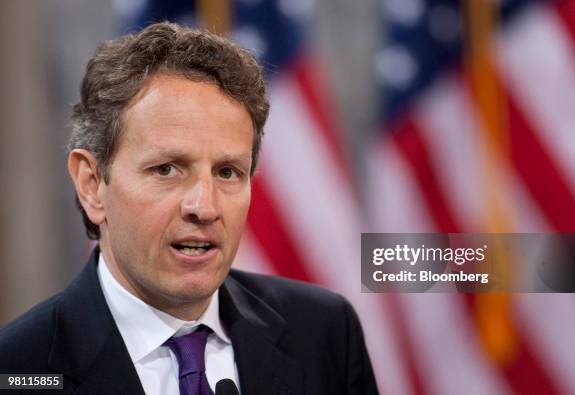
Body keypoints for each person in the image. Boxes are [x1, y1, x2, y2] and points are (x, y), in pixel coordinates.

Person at [0, 22, 378, 395]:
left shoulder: (325, 333)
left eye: (228, 172)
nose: (205, 206)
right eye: (166, 169)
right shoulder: (16, 368)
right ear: (92, 184)